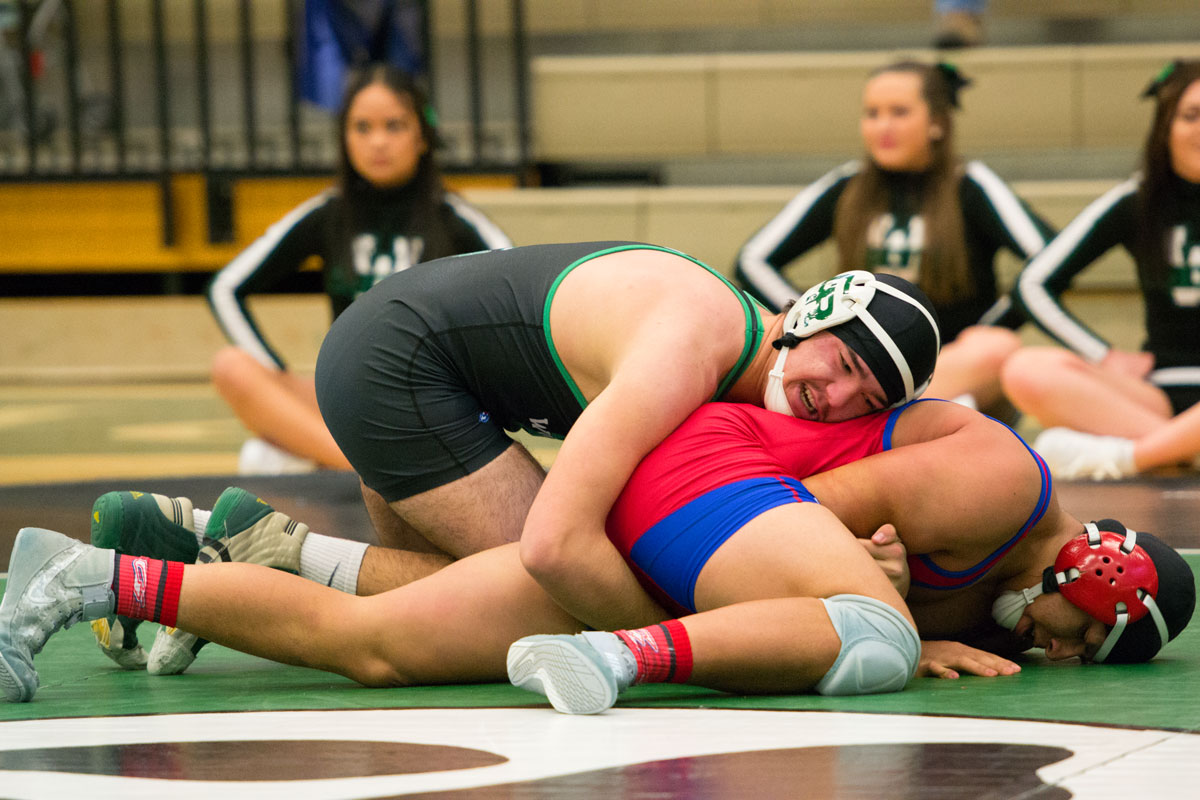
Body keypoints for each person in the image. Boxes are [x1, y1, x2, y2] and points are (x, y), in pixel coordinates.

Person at [1, 399, 1192, 712]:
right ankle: (622, 654)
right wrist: (875, 596)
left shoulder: (999, 590)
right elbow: (783, 509)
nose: (1056, 653)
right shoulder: (999, 484)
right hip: (704, 489)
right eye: (1080, 637)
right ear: (1099, 579)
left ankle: (90, 574)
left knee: (380, 650)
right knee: (870, 633)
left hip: (699, 526)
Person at [207, 63, 511, 475]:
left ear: (422, 136)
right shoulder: (327, 213)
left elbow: (518, 294)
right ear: (344, 138)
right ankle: (360, 466)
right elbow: (226, 287)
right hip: (347, 402)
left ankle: (319, 455)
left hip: (432, 404)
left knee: (264, 458)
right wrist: (276, 372)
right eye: (362, 127)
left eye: (394, 125)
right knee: (231, 367)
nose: (378, 141)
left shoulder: (455, 220)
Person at [735, 60, 1054, 419]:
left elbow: (1049, 260)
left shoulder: (970, 184)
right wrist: (808, 319)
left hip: (955, 363)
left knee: (998, 347)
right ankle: (929, 418)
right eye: (872, 113)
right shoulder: (848, 185)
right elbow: (753, 259)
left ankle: (908, 418)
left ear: (936, 122)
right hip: (865, 375)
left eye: (899, 112)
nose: (883, 126)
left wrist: (990, 326)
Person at [1002, 61, 1200, 481]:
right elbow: (1032, 284)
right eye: (1191, 115)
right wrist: (1103, 355)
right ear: (1165, 127)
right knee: (1025, 370)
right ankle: (1179, 448)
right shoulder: (1138, 199)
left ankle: (1135, 457)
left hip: (1150, 424)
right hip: (1156, 397)